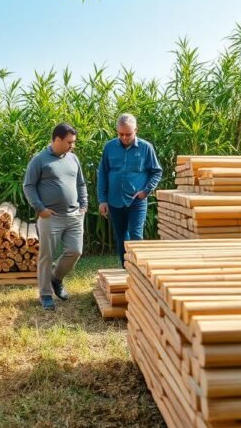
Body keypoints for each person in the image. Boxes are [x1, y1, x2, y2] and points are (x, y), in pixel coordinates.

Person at [22, 122, 88, 311]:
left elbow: (81, 184)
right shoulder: (40, 160)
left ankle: (56, 278)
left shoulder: (73, 159)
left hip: (74, 215)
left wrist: (84, 205)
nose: (72, 146)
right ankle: (45, 294)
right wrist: (40, 208)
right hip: (51, 217)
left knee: (75, 251)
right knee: (46, 256)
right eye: (69, 142)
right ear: (57, 139)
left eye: (73, 142)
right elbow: (28, 186)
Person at [97, 113, 162, 267]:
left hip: (137, 202)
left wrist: (146, 191)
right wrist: (102, 200)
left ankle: (138, 269)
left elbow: (156, 171)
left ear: (136, 130)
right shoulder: (109, 147)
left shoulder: (146, 148)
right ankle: (125, 267)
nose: (124, 138)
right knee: (121, 237)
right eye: (121, 134)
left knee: (136, 235)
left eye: (128, 134)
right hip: (114, 201)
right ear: (117, 131)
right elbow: (103, 173)